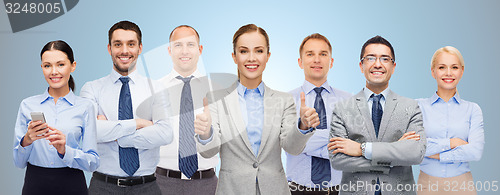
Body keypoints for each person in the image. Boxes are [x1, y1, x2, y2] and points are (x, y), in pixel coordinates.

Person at [194, 24, 318, 195]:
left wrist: (303, 125)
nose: (251, 58)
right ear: (234, 57)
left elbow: (292, 147)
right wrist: (206, 133)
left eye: (259, 51)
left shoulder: (284, 100)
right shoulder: (217, 99)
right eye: (244, 51)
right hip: (232, 190)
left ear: (268, 56)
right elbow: (209, 152)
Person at [80, 20, 173, 195]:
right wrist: (139, 123)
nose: (124, 51)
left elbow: (165, 134)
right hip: (102, 187)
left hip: (147, 187)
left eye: (131, 44)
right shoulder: (92, 88)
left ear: (140, 48)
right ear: (109, 49)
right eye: (118, 44)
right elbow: (89, 132)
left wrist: (116, 135)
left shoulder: (156, 88)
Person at [327, 35, 426, 195]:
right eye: (371, 58)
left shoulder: (411, 107)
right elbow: (338, 160)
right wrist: (394, 153)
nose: (378, 64)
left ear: (393, 66)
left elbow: (415, 154)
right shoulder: (342, 108)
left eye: (385, 59)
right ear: (361, 65)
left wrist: (361, 149)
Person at [13, 40, 99, 195]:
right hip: (35, 184)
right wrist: (27, 140)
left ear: (73, 66)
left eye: (60, 64)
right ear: (42, 68)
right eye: (47, 65)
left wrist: (65, 151)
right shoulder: (27, 105)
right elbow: (18, 163)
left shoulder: (85, 107)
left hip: (72, 183)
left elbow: (93, 162)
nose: (53, 71)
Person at [156, 25, 218, 195]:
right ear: (169, 50)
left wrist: (207, 134)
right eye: (178, 45)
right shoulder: (154, 90)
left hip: (205, 185)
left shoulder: (217, 91)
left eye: (190, 45)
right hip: (162, 183)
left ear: (200, 49)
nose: (184, 51)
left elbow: (226, 142)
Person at [287, 33, 351, 195]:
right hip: (296, 190)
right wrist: (335, 138)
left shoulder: (348, 100)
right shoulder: (285, 100)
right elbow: (290, 146)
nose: (317, 60)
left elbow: (352, 147)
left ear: (331, 62)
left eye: (323, 54)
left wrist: (305, 138)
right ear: (300, 62)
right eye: (310, 54)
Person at [416, 46, 484, 195]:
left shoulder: (473, 109)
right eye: (442, 67)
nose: (448, 73)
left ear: (462, 71)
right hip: (427, 185)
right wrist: (452, 143)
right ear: (433, 71)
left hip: (463, 185)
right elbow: (413, 148)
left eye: (454, 67)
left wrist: (437, 155)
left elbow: (475, 152)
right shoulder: (418, 107)